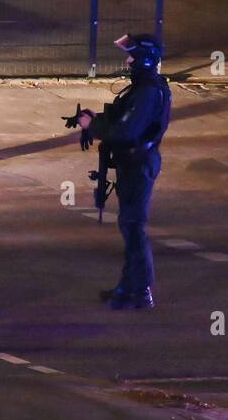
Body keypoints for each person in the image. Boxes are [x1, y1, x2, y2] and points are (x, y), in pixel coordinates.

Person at [73, 34, 171, 309]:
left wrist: (93, 127)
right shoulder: (144, 88)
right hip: (134, 162)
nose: (127, 61)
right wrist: (95, 120)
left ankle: (139, 291)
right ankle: (128, 288)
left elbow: (127, 131)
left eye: (131, 56)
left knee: (133, 227)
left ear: (143, 60)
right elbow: (121, 120)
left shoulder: (148, 91)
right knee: (129, 226)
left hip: (138, 163)